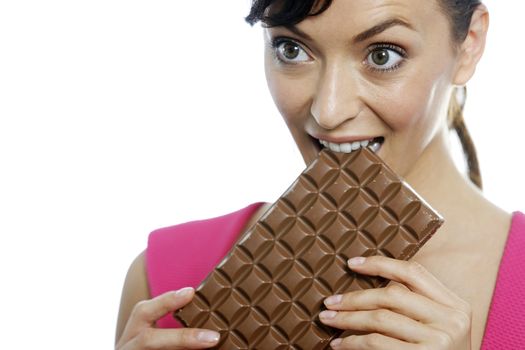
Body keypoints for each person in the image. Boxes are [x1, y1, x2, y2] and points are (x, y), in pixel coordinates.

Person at [114, 0, 525, 349]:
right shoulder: (164, 279)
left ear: (469, 44)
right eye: (291, 49)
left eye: (383, 54)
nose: (327, 110)